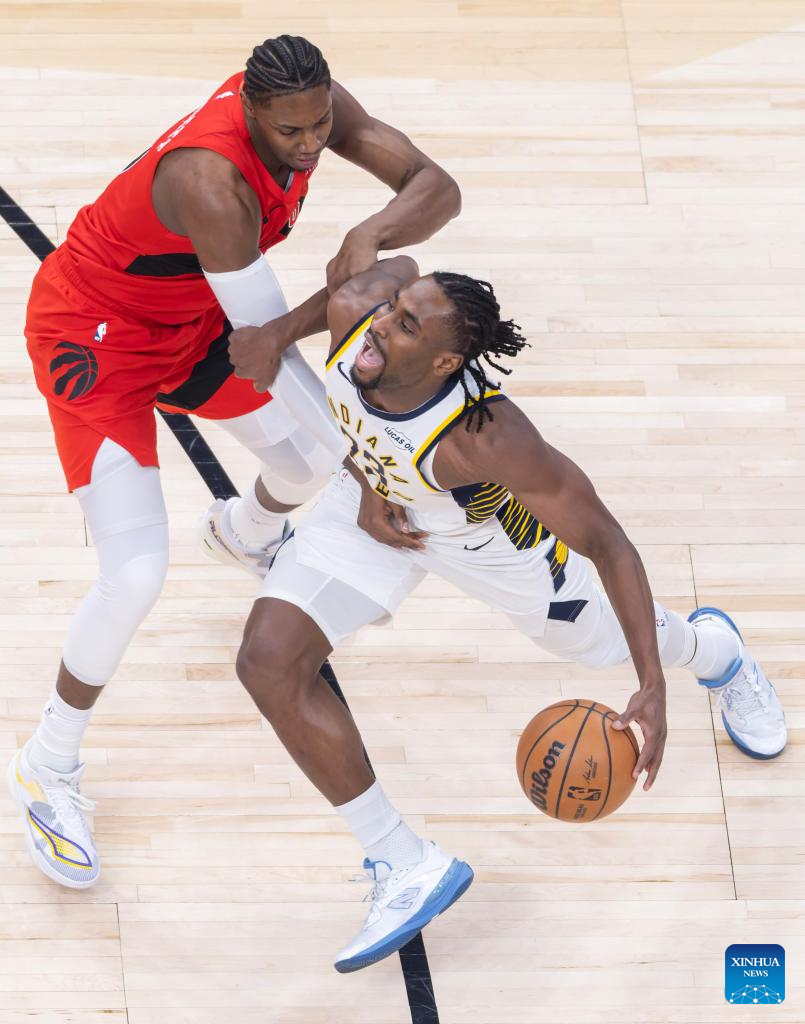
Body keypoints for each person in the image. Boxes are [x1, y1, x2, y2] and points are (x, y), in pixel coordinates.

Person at [230, 256, 787, 973]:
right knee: (267, 661)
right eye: (392, 307)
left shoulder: (486, 436)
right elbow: (394, 265)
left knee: (600, 644)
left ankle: (717, 654)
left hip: (488, 548)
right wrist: (281, 337)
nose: (381, 325)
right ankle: (404, 862)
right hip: (375, 512)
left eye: (407, 325)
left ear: (445, 361)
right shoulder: (355, 315)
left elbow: (607, 543)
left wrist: (651, 684)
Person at [7, 35, 460, 890]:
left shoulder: (309, 105)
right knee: (136, 572)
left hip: (189, 321)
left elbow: (439, 188)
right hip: (96, 339)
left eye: (320, 124)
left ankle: (244, 532)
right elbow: (270, 349)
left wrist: (369, 230)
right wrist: (369, 475)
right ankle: (46, 762)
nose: (311, 143)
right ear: (249, 110)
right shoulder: (210, 185)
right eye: (291, 131)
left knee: (304, 462)